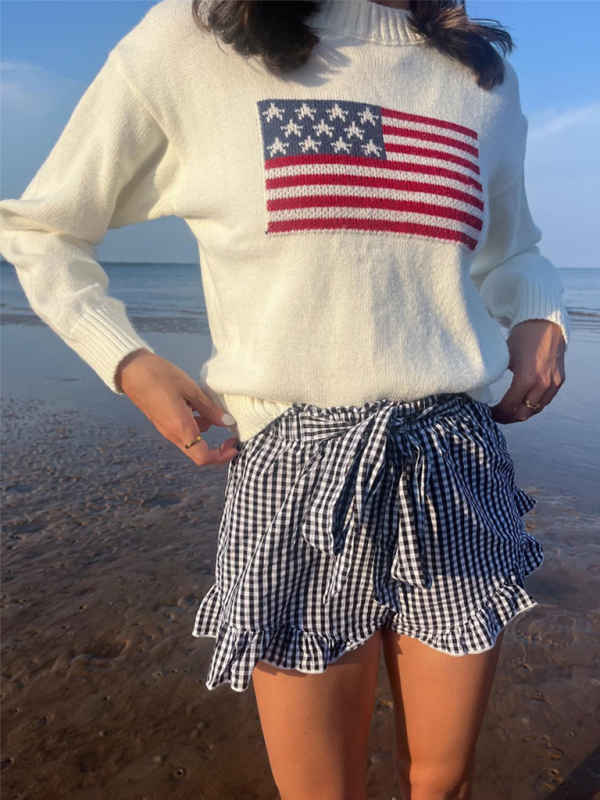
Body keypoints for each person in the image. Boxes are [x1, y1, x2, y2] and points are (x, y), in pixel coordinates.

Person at [0, 0, 570, 797]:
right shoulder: (196, 38)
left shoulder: (480, 74)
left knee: (443, 782)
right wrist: (126, 361)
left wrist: (540, 314)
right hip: (295, 474)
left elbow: (513, 249)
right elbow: (44, 229)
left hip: (453, 459)